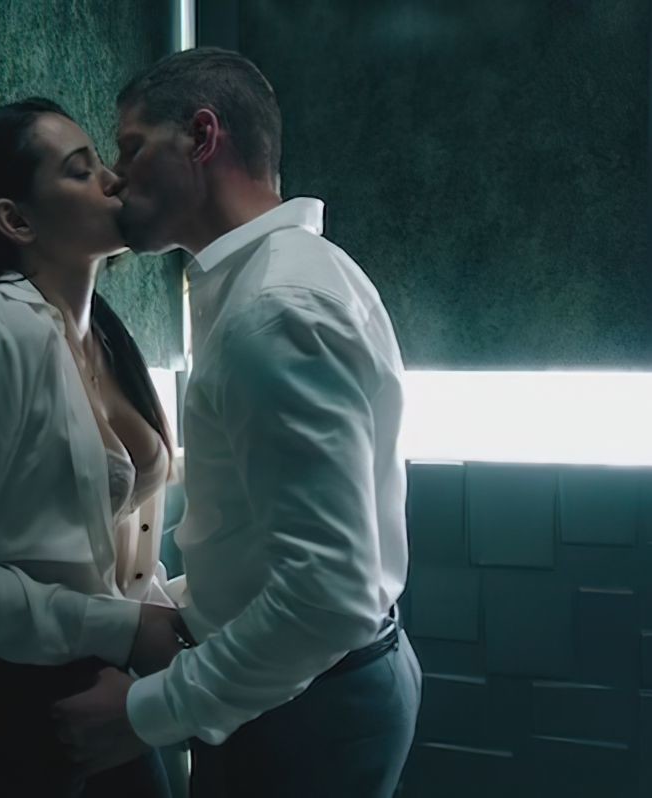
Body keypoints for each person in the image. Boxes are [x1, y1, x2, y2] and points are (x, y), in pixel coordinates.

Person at [53, 48, 422, 797]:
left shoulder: (274, 308)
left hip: (309, 707)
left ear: (201, 136)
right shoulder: (281, 281)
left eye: (130, 147)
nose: (116, 178)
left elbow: (328, 591)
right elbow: (272, 540)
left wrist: (145, 713)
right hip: (307, 686)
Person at [0, 97, 190, 797]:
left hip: (112, 686)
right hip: (18, 705)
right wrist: (118, 628)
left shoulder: (107, 335)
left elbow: (111, 552)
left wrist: (169, 619)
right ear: (16, 220)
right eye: (81, 170)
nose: (113, 179)